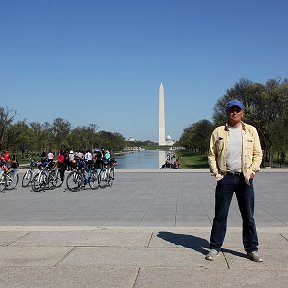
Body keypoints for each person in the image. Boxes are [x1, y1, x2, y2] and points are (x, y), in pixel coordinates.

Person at [205, 99, 263, 262]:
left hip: (245, 178)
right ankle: (215, 247)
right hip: (226, 178)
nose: (234, 113)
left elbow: (258, 154)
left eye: (238, 110)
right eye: (232, 110)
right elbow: (211, 154)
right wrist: (216, 173)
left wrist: (253, 171)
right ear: (227, 112)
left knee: (248, 216)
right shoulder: (218, 132)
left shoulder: (251, 131)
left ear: (242, 112)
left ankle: (252, 249)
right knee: (220, 215)